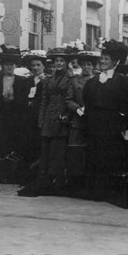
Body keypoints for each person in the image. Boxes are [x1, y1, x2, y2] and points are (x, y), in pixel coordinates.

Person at [83, 39, 128, 200]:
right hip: (94, 125)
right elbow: (87, 103)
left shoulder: (122, 82)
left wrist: (122, 126)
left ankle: (109, 191)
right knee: (94, 157)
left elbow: (126, 106)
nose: (102, 62)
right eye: (102, 59)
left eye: (106, 59)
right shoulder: (92, 82)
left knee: (110, 158)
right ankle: (94, 191)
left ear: (115, 61)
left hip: (112, 127)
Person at [0, 44, 29, 178]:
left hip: (16, 117)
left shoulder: (22, 82)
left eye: (12, 65)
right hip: (1, 116)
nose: (9, 67)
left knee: (14, 142)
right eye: (7, 65)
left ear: (15, 66)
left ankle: (12, 171)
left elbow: (24, 102)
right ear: (3, 66)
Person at [36, 47, 74, 194]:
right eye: (56, 61)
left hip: (62, 118)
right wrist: (41, 121)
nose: (58, 63)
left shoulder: (71, 79)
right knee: (46, 151)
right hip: (48, 118)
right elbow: (44, 101)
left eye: (61, 61)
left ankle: (57, 182)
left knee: (58, 152)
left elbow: (70, 99)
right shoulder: (48, 80)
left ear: (66, 63)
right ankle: (45, 179)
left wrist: (66, 116)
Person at [66, 51, 98, 146]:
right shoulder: (75, 81)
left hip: (95, 120)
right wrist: (77, 108)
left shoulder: (99, 80)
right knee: (76, 148)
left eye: (89, 64)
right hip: (78, 120)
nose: (86, 67)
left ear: (93, 66)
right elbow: (68, 100)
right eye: (83, 65)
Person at [22, 50, 47, 166]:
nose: (35, 68)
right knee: (28, 143)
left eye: (38, 65)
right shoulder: (27, 81)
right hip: (28, 117)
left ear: (43, 66)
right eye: (33, 65)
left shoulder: (48, 81)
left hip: (41, 117)